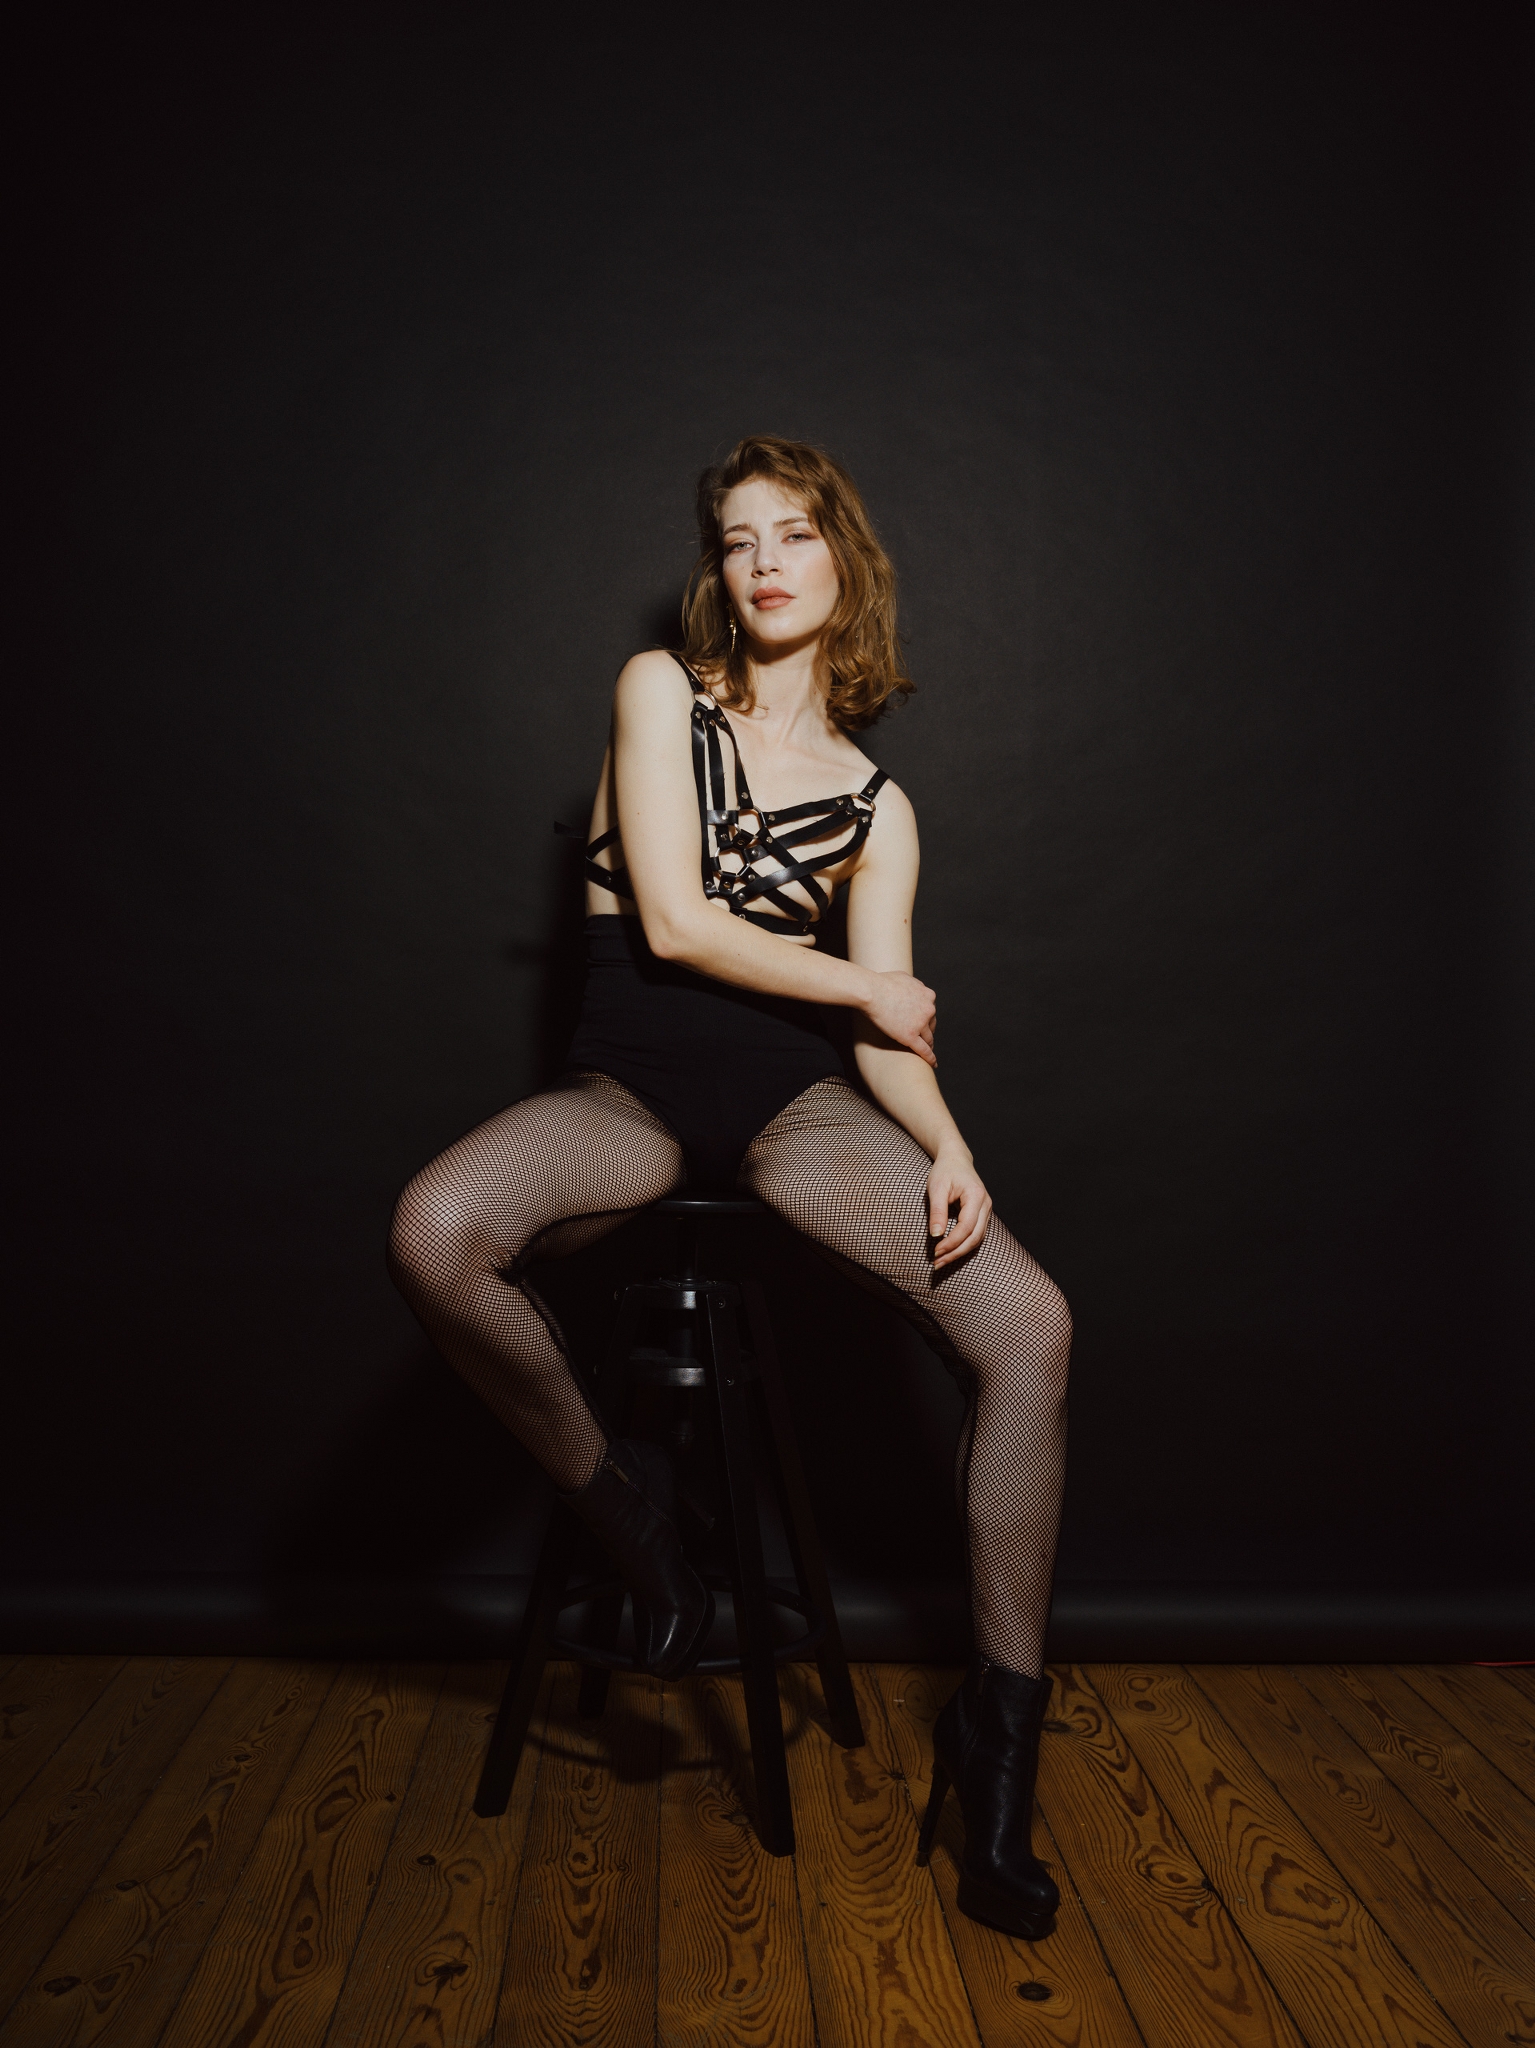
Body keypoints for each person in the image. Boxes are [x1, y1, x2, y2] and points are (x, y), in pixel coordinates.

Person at [388, 434, 1072, 1940]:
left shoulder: (878, 806)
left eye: (795, 534)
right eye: (740, 538)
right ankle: (629, 1512)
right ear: (720, 568)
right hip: (629, 1092)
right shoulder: (660, 692)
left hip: (789, 1108)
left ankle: (999, 1740)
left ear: (846, 564)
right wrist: (867, 988)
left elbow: (880, 1036)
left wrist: (951, 1142)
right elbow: (681, 926)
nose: (765, 561)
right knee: (436, 1231)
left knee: (1031, 1328)